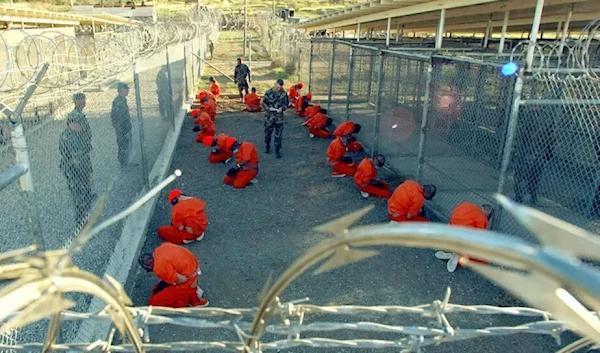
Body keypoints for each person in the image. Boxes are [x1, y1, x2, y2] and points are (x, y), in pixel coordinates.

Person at [59, 93, 94, 231]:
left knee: (85, 193)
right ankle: (80, 223)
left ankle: (85, 219)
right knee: (79, 196)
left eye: (84, 100)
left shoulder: (79, 121)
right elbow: (70, 156)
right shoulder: (68, 136)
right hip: (75, 169)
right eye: (80, 100)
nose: (83, 102)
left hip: (82, 165)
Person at [138, 243, 208, 308]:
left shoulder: (158, 268)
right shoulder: (163, 247)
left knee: (152, 302)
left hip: (188, 280)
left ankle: (187, 299)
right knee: (160, 287)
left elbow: (183, 280)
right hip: (193, 270)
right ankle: (193, 297)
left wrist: (172, 284)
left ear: (150, 266)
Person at [435, 203, 494, 272]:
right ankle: (457, 255)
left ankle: (453, 252)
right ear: (487, 214)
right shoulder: (482, 218)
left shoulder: (465, 204)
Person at [262, 79, 289, 159]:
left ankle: (277, 150)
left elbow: (286, 104)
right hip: (269, 117)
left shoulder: (284, 94)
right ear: (275, 84)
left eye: (280, 87)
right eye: (277, 86)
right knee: (267, 133)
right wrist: (269, 109)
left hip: (279, 118)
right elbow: (264, 103)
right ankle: (267, 146)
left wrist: (282, 108)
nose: (278, 88)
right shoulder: (269, 92)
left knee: (278, 135)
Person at [110, 82, 133, 168]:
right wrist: (119, 129)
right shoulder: (117, 102)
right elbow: (115, 117)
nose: (127, 91)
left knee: (127, 145)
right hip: (121, 128)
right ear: (120, 90)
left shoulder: (123, 100)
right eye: (125, 89)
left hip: (126, 127)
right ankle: (123, 163)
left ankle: (126, 161)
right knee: (123, 145)